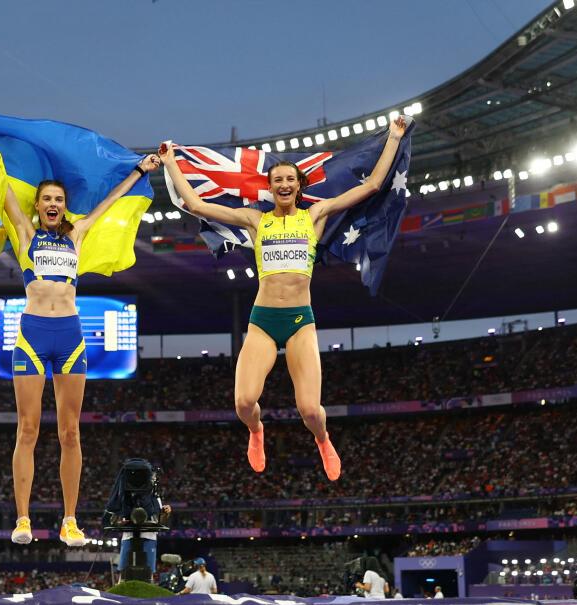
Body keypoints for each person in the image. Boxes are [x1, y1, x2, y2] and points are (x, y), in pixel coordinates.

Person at [159, 117, 410, 482]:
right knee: (244, 404)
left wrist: (394, 137)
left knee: (310, 410)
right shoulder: (255, 220)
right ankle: (256, 431)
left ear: (298, 185)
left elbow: (372, 185)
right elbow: (196, 204)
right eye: (277, 180)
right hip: (262, 320)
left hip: (299, 323)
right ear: (271, 188)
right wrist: (170, 162)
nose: (284, 184)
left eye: (290, 179)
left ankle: (323, 439)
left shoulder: (315, 216)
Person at [0, 107, 161, 546]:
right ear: (38, 205)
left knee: (70, 432)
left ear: (65, 206)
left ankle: (70, 519)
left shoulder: (78, 235)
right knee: (27, 430)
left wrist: (140, 170)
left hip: (70, 337)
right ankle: (24, 519)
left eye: (58, 200)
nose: (52, 204)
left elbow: (109, 201)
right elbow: (2, 184)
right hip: (31, 336)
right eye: (47, 199)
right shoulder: (25, 234)